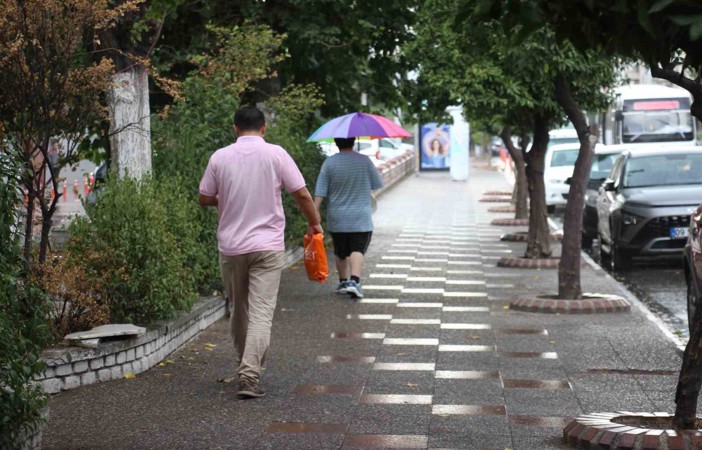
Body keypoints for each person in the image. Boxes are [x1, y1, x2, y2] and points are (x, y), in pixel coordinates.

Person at [198, 106, 322, 399]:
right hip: (267, 246)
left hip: (231, 248)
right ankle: (249, 375)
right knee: (261, 313)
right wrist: (314, 223)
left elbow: (204, 197)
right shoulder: (276, 154)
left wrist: (228, 198)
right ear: (264, 128)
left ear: (235, 128)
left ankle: (246, 368)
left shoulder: (220, 157)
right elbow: (302, 194)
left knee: (239, 308)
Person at [314, 137, 384, 299]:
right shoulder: (364, 161)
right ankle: (355, 281)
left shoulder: (329, 163)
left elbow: (320, 190)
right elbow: (377, 184)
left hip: (337, 216)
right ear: (353, 142)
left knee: (340, 251)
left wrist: (315, 211)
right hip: (360, 216)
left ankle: (343, 281)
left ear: (337, 143)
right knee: (357, 249)